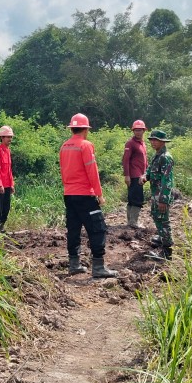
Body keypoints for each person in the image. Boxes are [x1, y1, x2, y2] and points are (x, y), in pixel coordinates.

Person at [59, 113, 117, 278]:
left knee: (73, 229)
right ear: (85, 129)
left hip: (69, 194)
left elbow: (63, 172)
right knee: (97, 228)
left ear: (72, 128)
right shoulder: (85, 145)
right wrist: (99, 194)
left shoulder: (64, 146)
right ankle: (98, 267)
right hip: (85, 194)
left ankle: (74, 264)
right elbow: (92, 172)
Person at [140, 129, 175, 259]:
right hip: (155, 194)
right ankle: (161, 237)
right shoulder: (157, 156)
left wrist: (163, 200)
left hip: (161, 195)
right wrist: (145, 177)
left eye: (156, 140)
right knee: (156, 216)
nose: (153, 142)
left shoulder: (166, 158)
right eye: (151, 140)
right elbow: (150, 171)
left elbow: (167, 180)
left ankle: (166, 251)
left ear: (163, 142)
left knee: (163, 220)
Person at [122, 119, 148, 228]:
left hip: (141, 175)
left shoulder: (143, 143)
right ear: (133, 131)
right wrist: (127, 175)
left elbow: (144, 160)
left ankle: (131, 222)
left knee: (133, 198)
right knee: (136, 199)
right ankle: (133, 222)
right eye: (136, 130)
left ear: (144, 131)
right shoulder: (130, 143)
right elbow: (125, 160)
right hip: (134, 175)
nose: (138, 132)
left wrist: (146, 173)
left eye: (140, 130)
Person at [0, 125, 15, 238]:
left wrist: (12, 184)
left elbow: (9, 169)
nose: (10, 139)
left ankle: (1, 226)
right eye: (7, 137)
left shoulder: (8, 151)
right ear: (2, 138)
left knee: (6, 207)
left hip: (7, 184)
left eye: (10, 137)